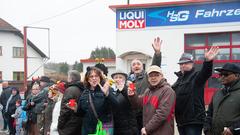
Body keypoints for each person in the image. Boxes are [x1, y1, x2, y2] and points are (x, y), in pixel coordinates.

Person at [172, 46, 219, 135]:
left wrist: (208, 61)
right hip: (181, 121)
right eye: (181, 64)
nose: (183, 65)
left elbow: (206, 72)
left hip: (194, 121)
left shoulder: (196, 77)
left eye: (186, 63)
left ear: (192, 64)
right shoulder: (178, 81)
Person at [128, 65, 176, 135]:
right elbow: (138, 104)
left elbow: (162, 114)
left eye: (156, 75)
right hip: (150, 131)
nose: (153, 78)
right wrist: (132, 95)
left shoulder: (167, 91)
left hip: (162, 132)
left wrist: (147, 128)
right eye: (151, 75)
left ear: (162, 76)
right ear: (148, 78)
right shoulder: (148, 91)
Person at [128, 37, 162, 133]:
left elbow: (155, 66)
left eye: (138, 64)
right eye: (133, 64)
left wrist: (157, 54)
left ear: (142, 66)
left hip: (146, 112)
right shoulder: (129, 80)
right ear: (131, 68)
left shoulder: (147, 76)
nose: (136, 66)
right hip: (133, 115)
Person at [204, 63, 240, 135]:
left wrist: (233, 129)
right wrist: (206, 127)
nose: (222, 77)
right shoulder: (217, 93)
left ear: (237, 76)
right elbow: (209, 113)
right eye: (221, 74)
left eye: (226, 74)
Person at [78, 67, 113, 135]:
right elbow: (80, 113)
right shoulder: (84, 93)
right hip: (88, 130)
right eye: (91, 76)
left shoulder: (107, 89)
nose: (94, 78)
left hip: (104, 129)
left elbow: (116, 105)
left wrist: (107, 94)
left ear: (100, 78)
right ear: (88, 79)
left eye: (96, 76)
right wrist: (75, 108)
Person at [107, 70, 138, 135]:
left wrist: (123, 89)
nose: (118, 79)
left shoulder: (129, 89)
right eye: (116, 77)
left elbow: (134, 102)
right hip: (115, 126)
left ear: (125, 80)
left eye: (120, 77)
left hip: (128, 127)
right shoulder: (110, 90)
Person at [58, 70, 84, 135]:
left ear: (70, 78)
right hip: (79, 124)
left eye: (68, 77)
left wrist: (60, 124)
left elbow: (66, 109)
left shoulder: (70, 90)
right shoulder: (82, 89)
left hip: (69, 125)